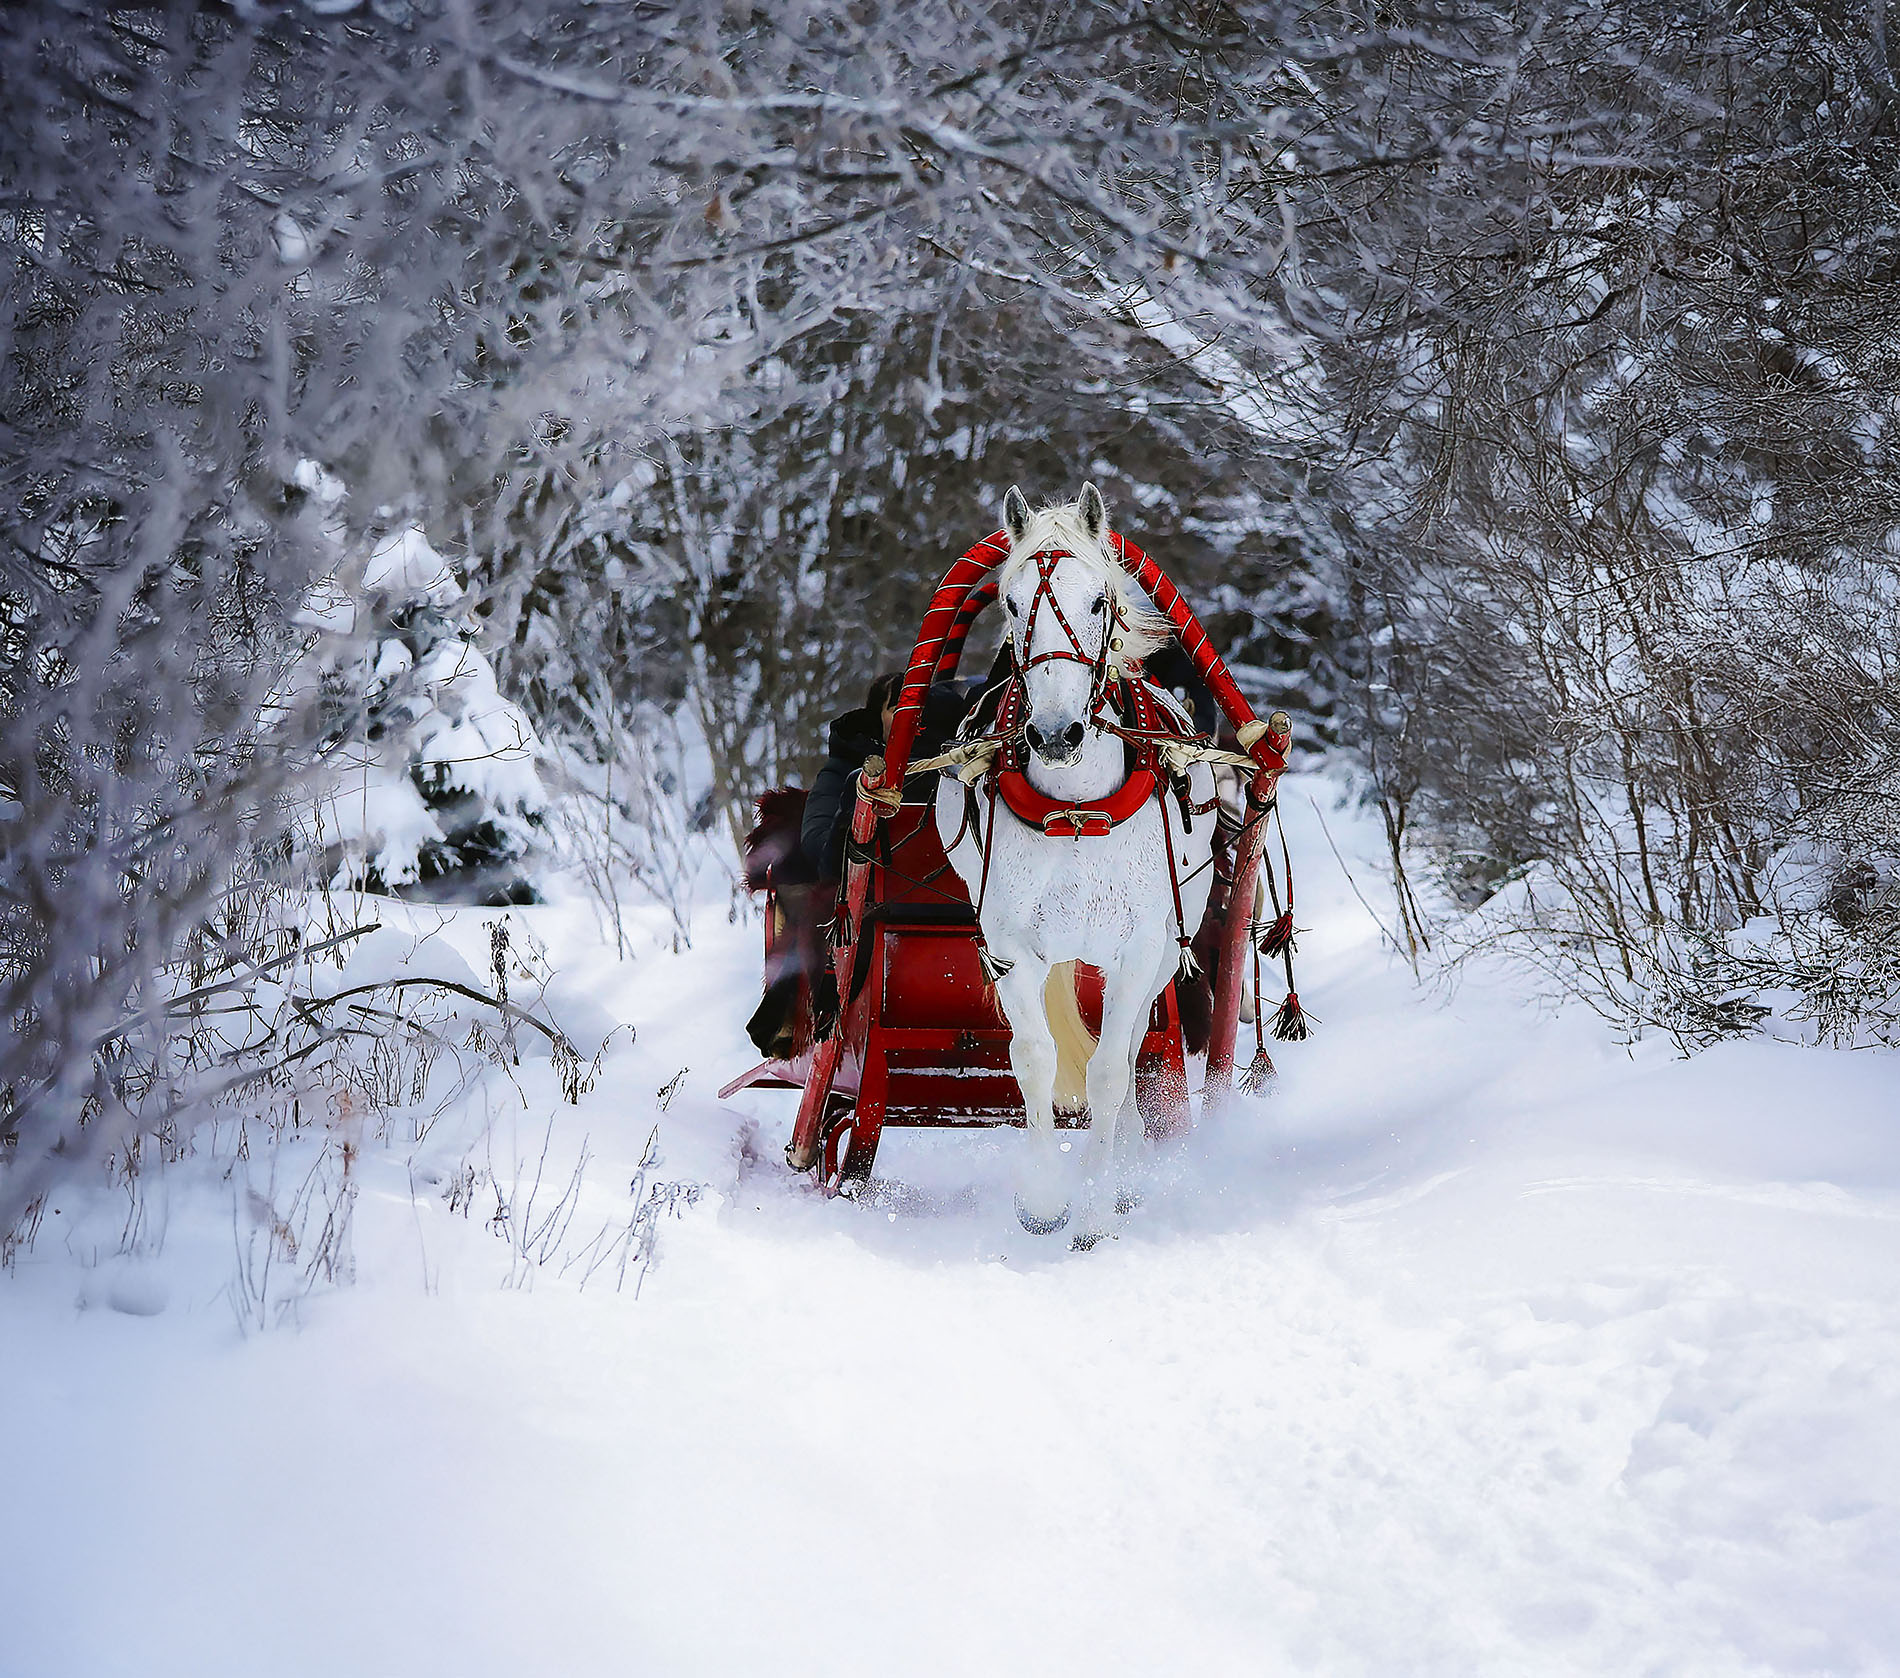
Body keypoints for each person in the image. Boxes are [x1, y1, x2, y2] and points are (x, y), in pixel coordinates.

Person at [800, 671, 969, 878]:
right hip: (869, 890)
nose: (911, 719)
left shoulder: (962, 766)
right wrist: (854, 820)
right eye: (897, 709)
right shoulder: (845, 764)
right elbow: (816, 844)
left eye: (921, 712)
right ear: (876, 718)